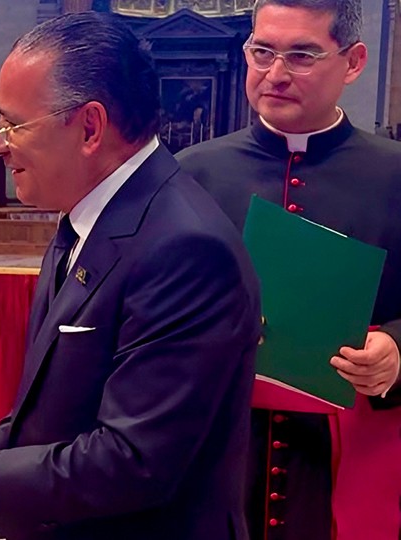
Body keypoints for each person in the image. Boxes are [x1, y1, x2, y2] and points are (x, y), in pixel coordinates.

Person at [0, 12, 261, 540]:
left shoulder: (185, 248)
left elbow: (135, 460)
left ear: (90, 128)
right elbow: (51, 420)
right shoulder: (86, 215)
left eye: (13, 124)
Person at [177, 0, 401, 538]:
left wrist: (398, 350)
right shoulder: (189, 174)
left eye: (301, 55)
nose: (275, 73)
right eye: (262, 52)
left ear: (353, 62)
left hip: (347, 459)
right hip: (216, 450)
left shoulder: (394, 175)